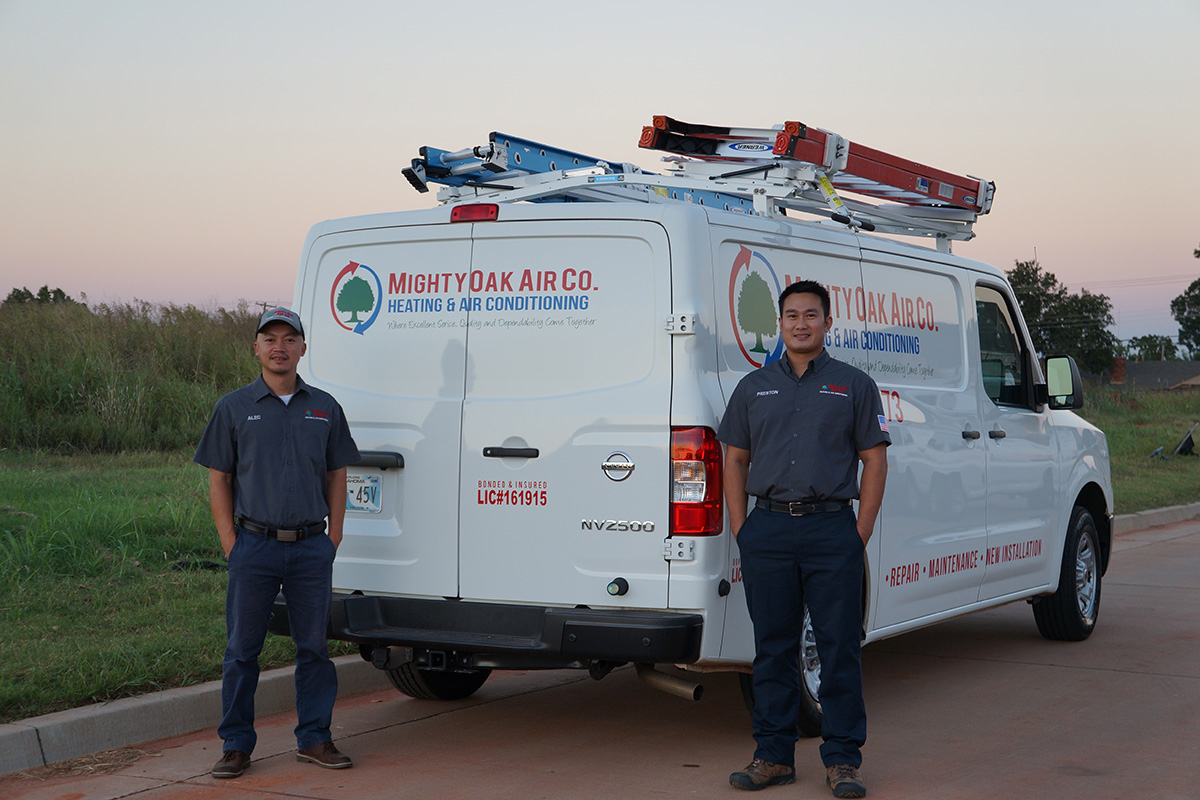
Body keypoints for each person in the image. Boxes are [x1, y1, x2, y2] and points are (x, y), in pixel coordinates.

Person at [719, 281, 890, 797]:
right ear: (780, 323)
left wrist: (859, 533)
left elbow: (875, 460)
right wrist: (743, 529)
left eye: (811, 315)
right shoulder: (753, 388)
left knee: (839, 648)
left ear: (827, 323)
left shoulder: (854, 385)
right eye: (792, 315)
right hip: (767, 530)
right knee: (772, 649)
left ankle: (843, 760)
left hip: (831, 529)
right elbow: (734, 460)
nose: (801, 324)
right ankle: (773, 757)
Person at [194, 307, 360, 779]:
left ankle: (315, 738)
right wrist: (230, 541)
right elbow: (219, 478)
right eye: (270, 339)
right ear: (256, 348)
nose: (279, 347)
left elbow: (338, 473)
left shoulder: (324, 407)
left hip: (310, 548)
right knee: (242, 651)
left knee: (314, 649)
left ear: (303, 348)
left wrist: (334, 536)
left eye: (289, 339)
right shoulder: (233, 407)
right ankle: (236, 745)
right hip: (254, 546)